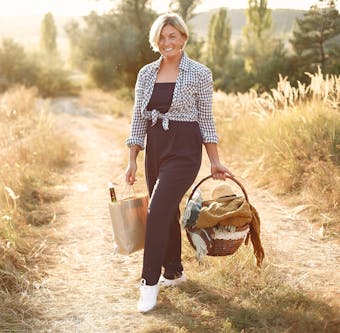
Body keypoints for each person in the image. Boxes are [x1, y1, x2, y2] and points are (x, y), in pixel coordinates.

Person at [124, 13, 233, 313]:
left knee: (156, 210)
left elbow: (206, 119)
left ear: (184, 38)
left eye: (173, 36)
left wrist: (215, 160)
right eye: (162, 37)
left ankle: (149, 283)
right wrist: (132, 159)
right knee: (167, 210)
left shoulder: (199, 72)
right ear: (155, 40)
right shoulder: (146, 73)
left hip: (184, 148)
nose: (167, 42)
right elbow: (137, 117)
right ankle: (174, 271)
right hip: (155, 146)